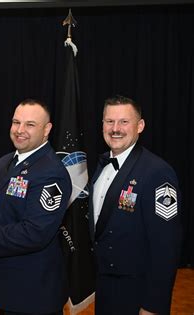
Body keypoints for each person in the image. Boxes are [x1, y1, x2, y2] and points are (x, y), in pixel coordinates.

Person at [0, 99, 72, 315]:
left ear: (46, 130)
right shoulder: (6, 161)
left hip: (33, 293)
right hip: (10, 287)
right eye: (16, 122)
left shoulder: (52, 172)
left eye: (30, 125)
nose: (20, 130)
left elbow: (35, 232)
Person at [88, 95, 182, 315]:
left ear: (140, 126)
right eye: (109, 121)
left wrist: (153, 305)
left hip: (137, 293)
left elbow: (166, 246)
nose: (115, 128)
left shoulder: (157, 173)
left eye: (123, 122)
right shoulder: (101, 165)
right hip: (105, 288)